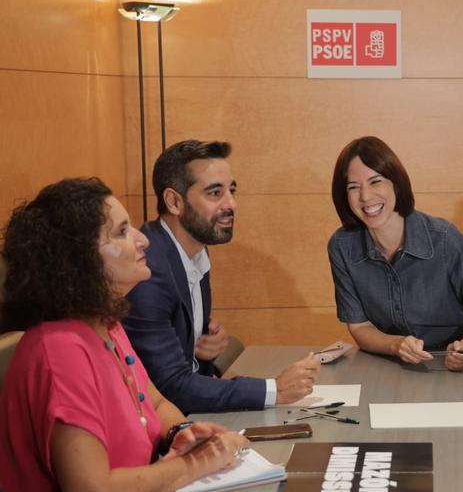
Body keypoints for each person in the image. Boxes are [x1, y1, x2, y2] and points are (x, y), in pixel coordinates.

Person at [0, 178, 249, 491]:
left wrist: (183, 432)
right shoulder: (60, 350)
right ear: (77, 262)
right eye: (121, 231)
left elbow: (154, 403)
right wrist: (195, 463)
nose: (141, 239)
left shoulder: (107, 323)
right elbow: (94, 487)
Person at [124, 140, 319, 414]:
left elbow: (186, 364)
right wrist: (275, 390)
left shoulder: (195, 251)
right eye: (215, 193)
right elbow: (171, 386)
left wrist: (200, 347)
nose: (231, 204)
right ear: (174, 201)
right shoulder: (148, 271)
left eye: (232, 190)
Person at [328, 136, 463, 371]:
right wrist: (396, 345)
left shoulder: (445, 238)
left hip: (452, 366)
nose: (365, 197)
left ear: (395, 183)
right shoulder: (342, 246)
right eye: (353, 187)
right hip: (391, 366)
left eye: (375, 182)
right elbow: (359, 327)